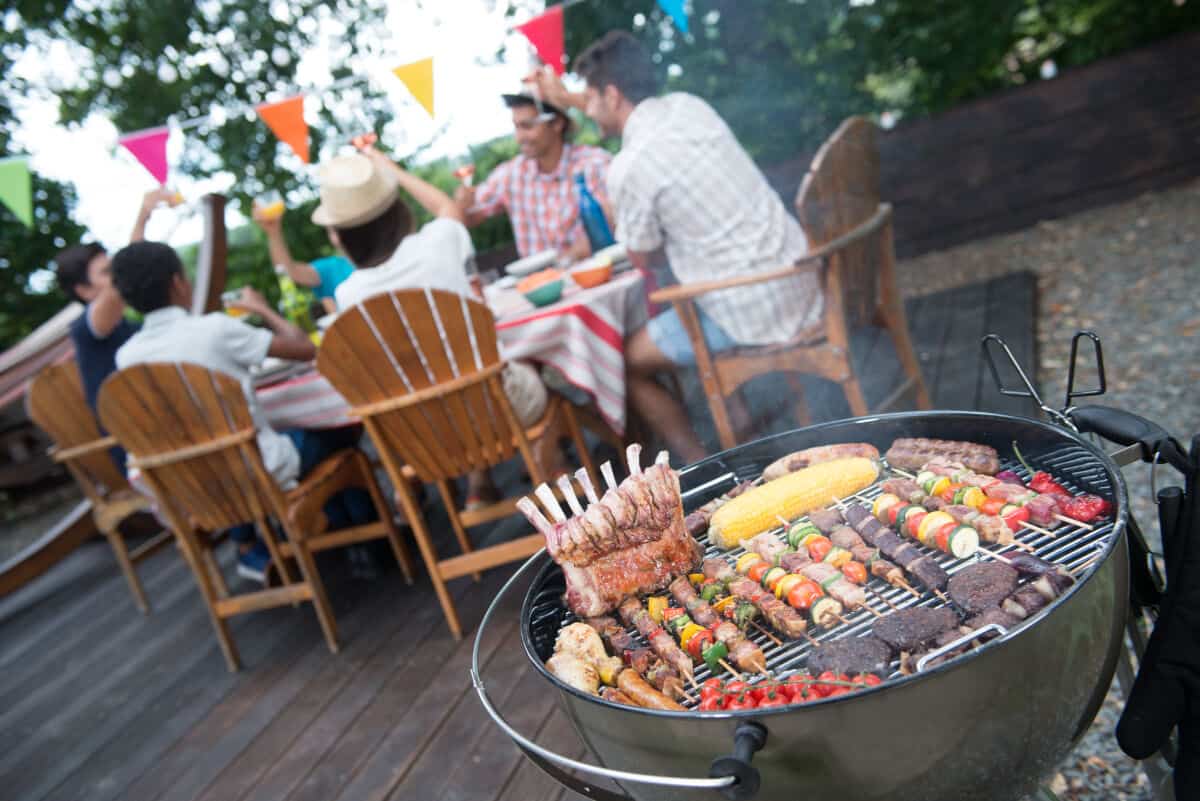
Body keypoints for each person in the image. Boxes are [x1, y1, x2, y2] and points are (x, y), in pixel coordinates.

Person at [528, 31, 823, 462]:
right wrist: (571, 97)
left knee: (623, 360)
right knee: (691, 293)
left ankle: (701, 465)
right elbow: (615, 107)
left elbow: (643, 256)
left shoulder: (629, 167)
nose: (587, 110)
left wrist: (616, 214)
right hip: (799, 276)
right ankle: (737, 418)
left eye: (589, 99)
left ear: (611, 95)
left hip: (753, 308)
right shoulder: (691, 107)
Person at [110, 241, 375, 583]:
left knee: (294, 437)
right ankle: (368, 539)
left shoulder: (126, 359)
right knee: (339, 431)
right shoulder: (214, 329)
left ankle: (333, 534)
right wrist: (263, 309)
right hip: (258, 471)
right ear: (178, 282)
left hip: (196, 485)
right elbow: (306, 350)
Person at [315, 146, 554, 506]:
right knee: (533, 372)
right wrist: (389, 167)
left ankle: (481, 488)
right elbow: (448, 207)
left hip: (426, 436)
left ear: (339, 236)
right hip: (502, 411)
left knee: (454, 386)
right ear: (397, 210)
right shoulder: (438, 243)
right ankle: (555, 472)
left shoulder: (348, 294)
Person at [53, 186, 178, 469]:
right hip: (139, 447)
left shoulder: (132, 327)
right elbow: (128, 273)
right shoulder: (87, 331)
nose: (117, 276)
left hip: (166, 428)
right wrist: (143, 216)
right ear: (84, 290)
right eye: (106, 273)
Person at [454, 91, 612, 263]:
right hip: (537, 285)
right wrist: (464, 203)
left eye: (527, 126)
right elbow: (469, 217)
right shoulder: (512, 173)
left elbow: (611, 222)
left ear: (557, 123)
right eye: (516, 127)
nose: (519, 137)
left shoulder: (593, 164)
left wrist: (564, 264)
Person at [252, 206, 353, 315]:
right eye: (333, 230)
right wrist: (273, 233)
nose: (339, 237)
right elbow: (287, 271)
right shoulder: (332, 267)